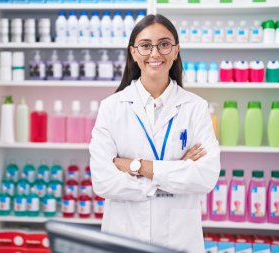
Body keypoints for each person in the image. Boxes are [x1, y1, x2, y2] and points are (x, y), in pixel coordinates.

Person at [89, 14, 221, 253]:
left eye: (164, 44)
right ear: (133, 52)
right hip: (123, 237)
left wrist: (135, 167)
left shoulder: (195, 107)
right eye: (146, 45)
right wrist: (174, 173)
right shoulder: (111, 107)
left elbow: (206, 177)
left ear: (175, 50)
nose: (155, 53)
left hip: (180, 240)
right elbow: (103, 182)